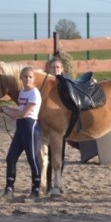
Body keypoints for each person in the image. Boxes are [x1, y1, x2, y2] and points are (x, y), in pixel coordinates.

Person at [0, 66, 42, 202]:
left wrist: (7, 110)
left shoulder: (34, 93)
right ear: (21, 78)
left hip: (30, 126)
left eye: (30, 77)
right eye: (25, 76)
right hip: (21, 127)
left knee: (32, 159)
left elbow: (23, 113)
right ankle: (9, 190)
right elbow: (19, 112)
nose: (27, 79)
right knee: (10, 158)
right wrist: (5, 109)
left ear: (33, 79)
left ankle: (36, 191)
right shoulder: (22, 93)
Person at [45, 56, 67, 191]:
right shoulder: (44, 86)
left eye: (58, 67)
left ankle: (58, 182)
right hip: (46, 125)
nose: (55, 70)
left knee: (59, 153)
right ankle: (47, 183)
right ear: (48, 69)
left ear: (63, 69)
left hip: (59, 125)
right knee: (47, 155)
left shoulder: (65, 86)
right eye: (53, 67)